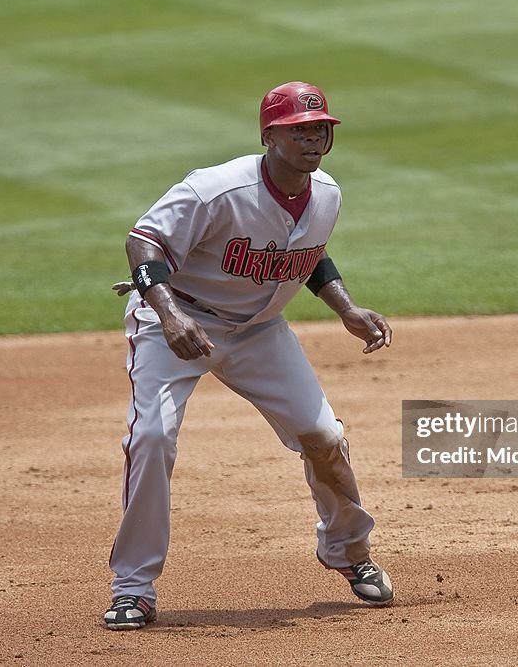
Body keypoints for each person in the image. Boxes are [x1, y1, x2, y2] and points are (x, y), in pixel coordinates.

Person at [103, 81, 395, 630]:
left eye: (320, 129)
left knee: (324, 436)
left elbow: (307, 258)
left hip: (259, 331)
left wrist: (346, 309)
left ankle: (348, 549)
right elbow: (143, 244)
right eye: (298, 130)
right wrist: (169, 315)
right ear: (269, 136)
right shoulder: (215, 190)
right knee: (152, 436)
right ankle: (133, 589)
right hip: (178, 322)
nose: (312, 138)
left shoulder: (326, 193)